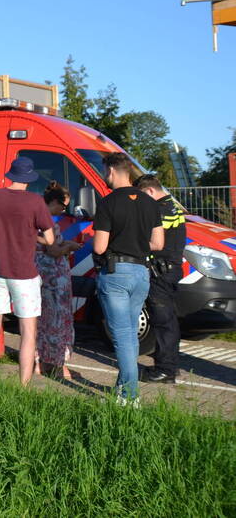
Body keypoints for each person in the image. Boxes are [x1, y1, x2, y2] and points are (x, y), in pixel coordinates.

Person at [0, 156, 55, 385]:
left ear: (11, 174)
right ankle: (23, 386)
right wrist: (33, 236)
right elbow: (49, 239)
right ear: (29, 179)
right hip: (25, 275)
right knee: (28, 332)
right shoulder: (35, 201)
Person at [92, 153, 164, 406]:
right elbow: (158, 243)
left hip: (116, 274)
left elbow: (100, 247)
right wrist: (135, 243)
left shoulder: (107, 202)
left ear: (111, 170)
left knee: (122, 335)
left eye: (103, 170)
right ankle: (122, 387)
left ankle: (129, 396)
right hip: (141, 273)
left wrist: (118, 242)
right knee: (130, 334)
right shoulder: (151, 202)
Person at [135, 174, 187, 385]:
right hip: (170, 269)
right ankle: (170, 364)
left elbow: (155, 240)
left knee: (163, 321)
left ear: (149, 191)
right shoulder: (173, 205)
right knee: (169, 321)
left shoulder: (161, 209)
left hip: (161, 271)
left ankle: (166, 370)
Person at [35, 181, 81, 379]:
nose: (63, 211)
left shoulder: (35, 218)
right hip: (54, 278)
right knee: (58, 320)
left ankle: (38, 361)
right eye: (62, 206)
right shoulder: (46, 222)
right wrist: (68, 248)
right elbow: (53, 250)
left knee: (39, 319)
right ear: (53, 201)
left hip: (39, 275)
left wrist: (65, 243)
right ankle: (58, 364)